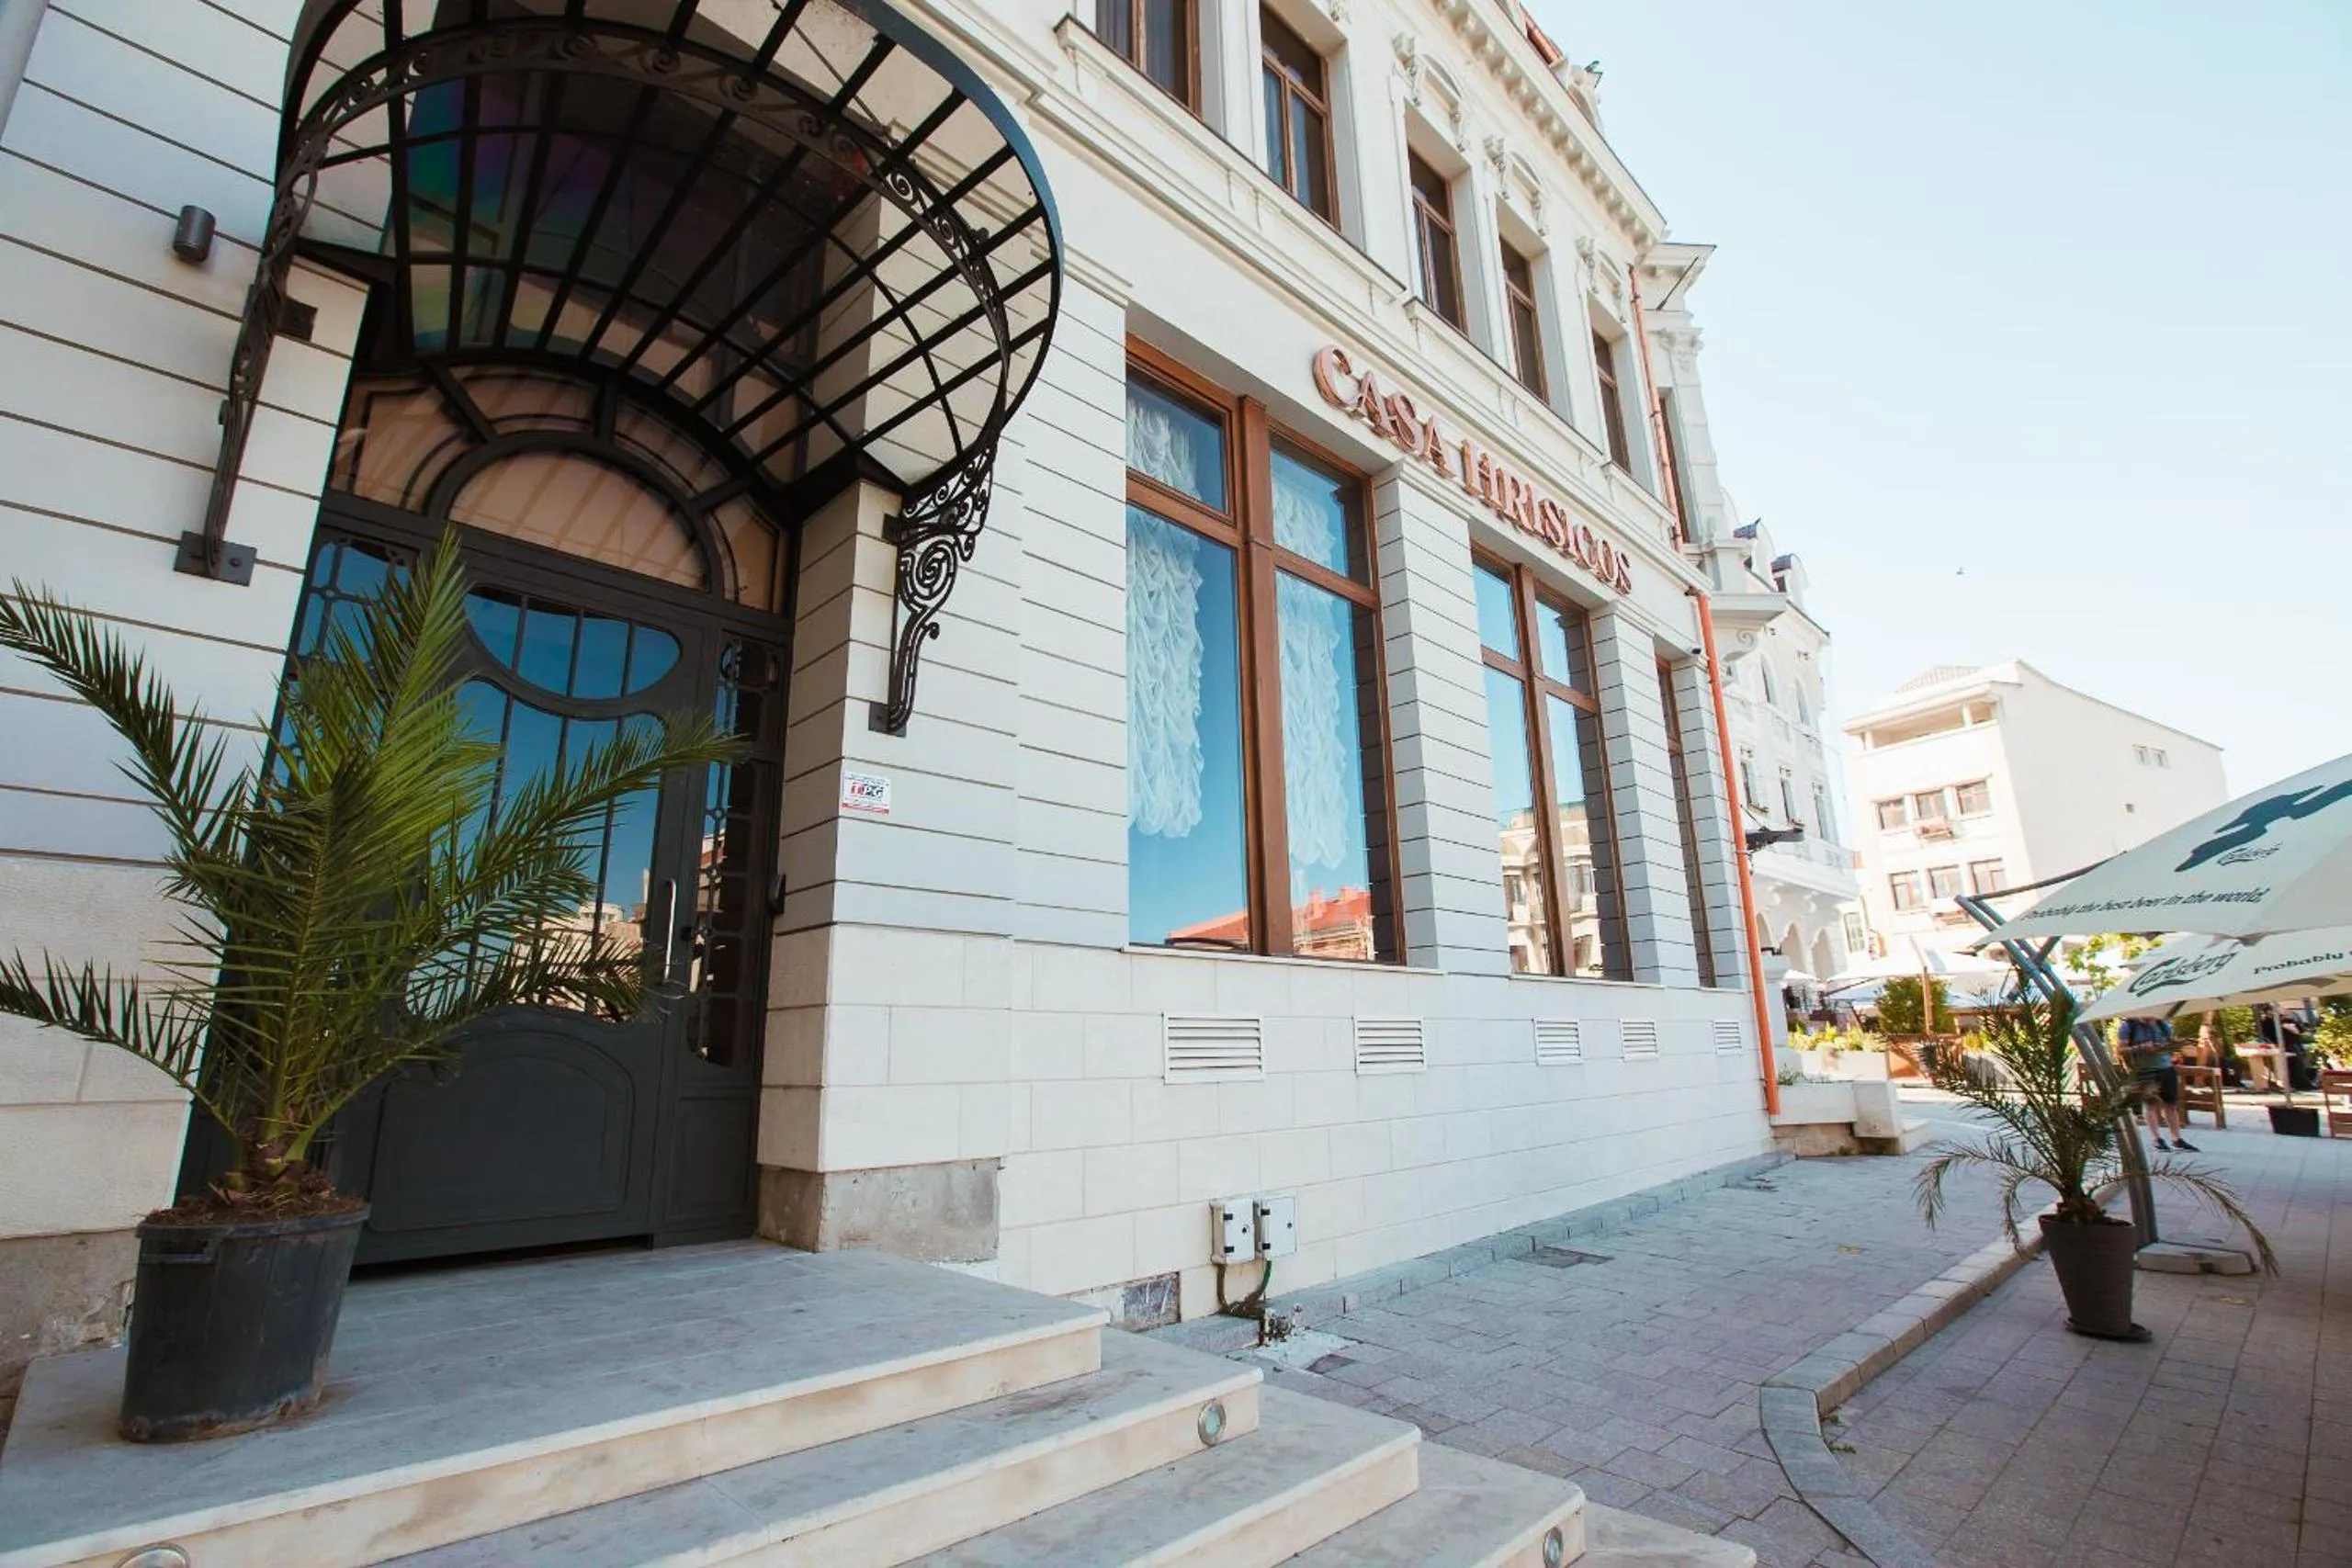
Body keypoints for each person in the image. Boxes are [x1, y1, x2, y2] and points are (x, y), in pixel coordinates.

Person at [2118, 1013, 2196, 1153]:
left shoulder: (2162, 1024)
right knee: (2151, 1105)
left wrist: (2172, 1044)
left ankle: (2176, 1138)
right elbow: (2121, 1050)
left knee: (2171, 1104)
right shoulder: (2129, 1026)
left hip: (2166, 1068)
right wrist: (2141, 1048)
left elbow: (2172, 1043)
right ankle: (2157, 1139)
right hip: (2145, 1069)